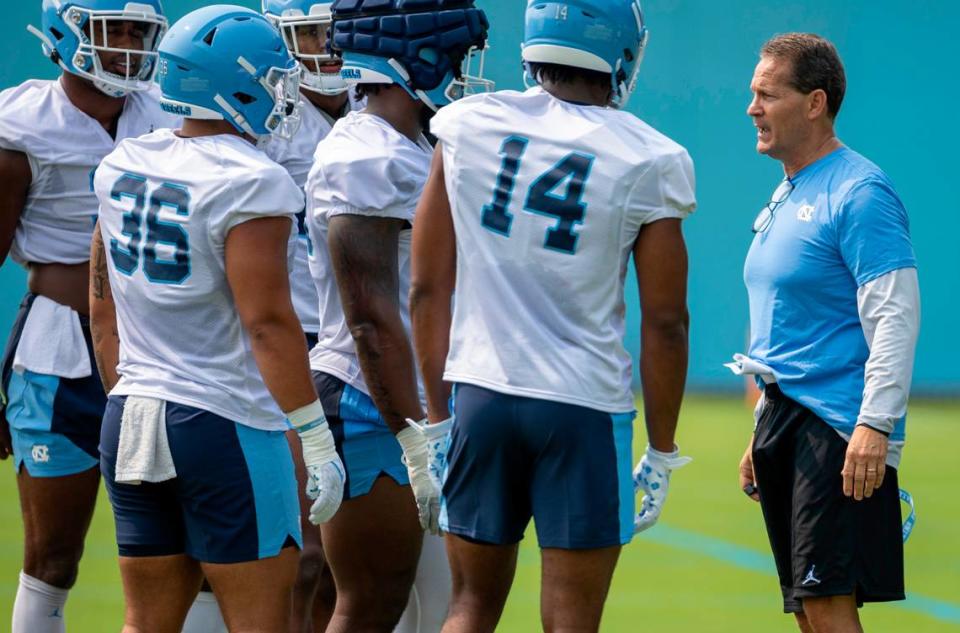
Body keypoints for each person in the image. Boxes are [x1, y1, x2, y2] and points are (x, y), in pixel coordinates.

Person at [409, 1, 696, 631]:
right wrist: (665, 447)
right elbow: (666, 321)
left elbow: (427, 287)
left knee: (469, 607)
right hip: (581, 407)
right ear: (619, 48)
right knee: (571, 621)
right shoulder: (649, 156)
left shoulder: (467, 123)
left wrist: (436, 419)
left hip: (480, 393)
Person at [89, 6, 344, 632]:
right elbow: (267, 322)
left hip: (130, 413)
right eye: (272, 77)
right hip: (224, 423)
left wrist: (128, 390)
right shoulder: (251, 179)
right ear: (234, 83)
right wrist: (314, 435)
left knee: (144, 623)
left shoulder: (123, 162)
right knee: (263, 624)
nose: (281, 91)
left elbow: (101, 304)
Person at [302, 1, 490, 631]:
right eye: (458, 58)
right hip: (371, 399)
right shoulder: (365, 154)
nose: (465, 73)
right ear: (420, 58)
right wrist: (415, 436)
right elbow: (370, 317)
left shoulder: (411, 143)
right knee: (369, 604)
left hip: (417, 396)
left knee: (436, 607)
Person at [735, 33, 920, 633]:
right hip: (785, 422)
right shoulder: (788, 190)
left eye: (767, 94)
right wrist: (761, 426)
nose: (752, 108)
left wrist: (873, 425)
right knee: (807, 610)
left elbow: (895, 314)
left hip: (836, 427)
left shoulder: (860, 191)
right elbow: (786, 328)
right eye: (752, 94)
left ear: (814, 103)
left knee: (827, 604)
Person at [0, 1, 174, 631]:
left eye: (138, 31)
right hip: (60, 347)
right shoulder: (22, 124)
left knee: (188, 555)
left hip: (161, 350)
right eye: (111, 30)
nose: (127, 46)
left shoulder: (167, 110)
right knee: (52, 556)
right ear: (65, 32)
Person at [259, 2, 360, 630]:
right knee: (301, 548)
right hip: (284, 341)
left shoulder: (382, 105)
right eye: (308, 34)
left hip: (357, 343)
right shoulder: (262, 121)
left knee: (342, 560)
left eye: (334, 32)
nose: (324, 47)